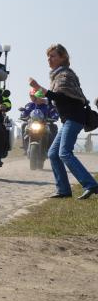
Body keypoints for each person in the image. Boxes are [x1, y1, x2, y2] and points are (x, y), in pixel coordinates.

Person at [29, 44, 98, 199]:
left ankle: (91, 185)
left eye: (53, 56)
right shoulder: (57, 76)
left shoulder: (65, 75)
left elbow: (62, 97)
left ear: (63, 58)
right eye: (48, 56)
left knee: (64, 153)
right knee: (53, 154)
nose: (49, 59)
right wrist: (41, 100)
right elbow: (59, 100)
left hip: (74, 118)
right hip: (69, 119)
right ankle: (64, 190)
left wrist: (40, 87)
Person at [19, 88, 59, 154]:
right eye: (33, 96)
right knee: (23, 125)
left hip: (44, 124)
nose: (36, 98)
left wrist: (54, 117)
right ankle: (25, 147)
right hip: (31, 124)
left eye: (39, 97)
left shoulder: (48, 106)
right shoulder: (30, 105)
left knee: (53, 127)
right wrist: (23, 115)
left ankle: (52, 149)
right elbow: (25, 112)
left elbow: (54, 113)